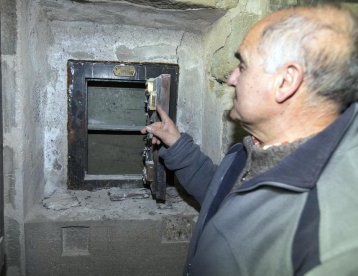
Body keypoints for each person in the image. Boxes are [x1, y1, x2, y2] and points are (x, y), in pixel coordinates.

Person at [142, 4, 358, 276]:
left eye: (242, 65)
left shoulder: (325, 235)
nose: (231, 78)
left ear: (285, 82)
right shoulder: (252, 149)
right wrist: (177, 145)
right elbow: (223, 198)